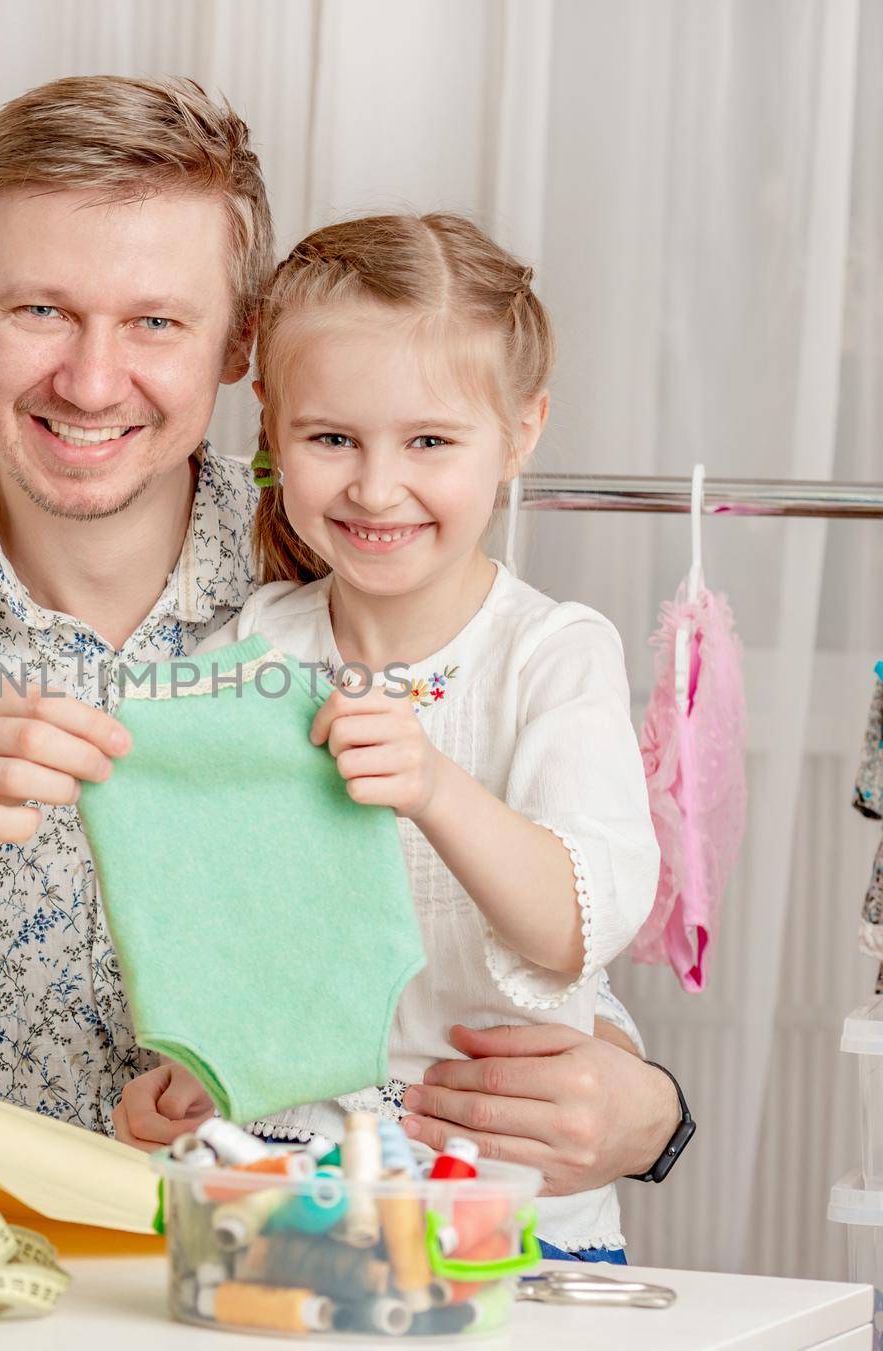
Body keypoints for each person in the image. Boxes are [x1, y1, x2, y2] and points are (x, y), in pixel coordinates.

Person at [0, 75, 685, 1198]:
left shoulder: (340, 549)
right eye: (40, 310)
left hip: (273, 1260)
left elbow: (485, 919)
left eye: (155, 322)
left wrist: (643, 1107)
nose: (88, 380)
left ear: (239, 349)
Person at [110, 214, 660, 1261]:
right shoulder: (254, 646)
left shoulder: (550, 654)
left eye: (430, 442)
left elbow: (572, 932)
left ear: (521, 430)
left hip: (502, 1203)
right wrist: (196, 1072)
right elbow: (228, 925)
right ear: (271, 428)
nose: (373, 485)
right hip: (286, 1187)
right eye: (331, 439)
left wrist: (434, 786)